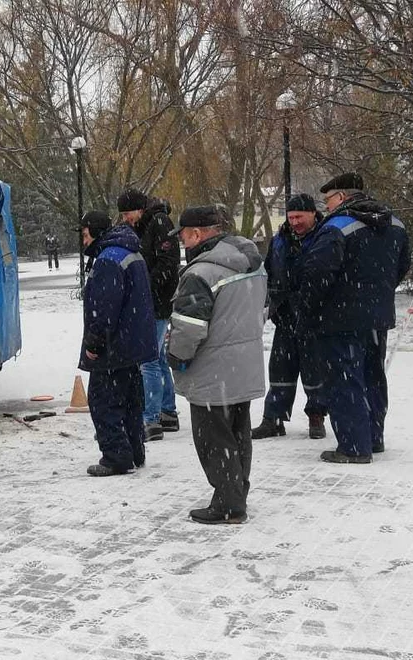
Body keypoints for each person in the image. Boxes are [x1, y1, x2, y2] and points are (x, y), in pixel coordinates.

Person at [298, 172, 410, 463]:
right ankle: (373, 438)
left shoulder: (336, 227)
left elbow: (316, 274)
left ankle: (352, 446)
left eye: (329, 199)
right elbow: (402, 266)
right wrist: (377, 293)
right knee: (373, 376)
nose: (327, 205)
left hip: (339, 319)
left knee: (345, 380)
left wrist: (309, 309)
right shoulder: (395, 223)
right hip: (378, 317)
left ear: (342, 197)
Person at [167, 205, 267, 524]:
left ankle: (228, 503)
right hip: (242, 366)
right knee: (238, 433)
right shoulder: (253, 264)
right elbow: (264, 308)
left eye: (183, 235)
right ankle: (236, 492)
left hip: (212, 371)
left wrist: (175, 357)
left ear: (197, 234)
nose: (183, 242)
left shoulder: (201, 273)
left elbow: (188, 328)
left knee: (213, 439)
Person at [78, 210, 156, 476]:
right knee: (130, 400)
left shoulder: (107, 261)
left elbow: (103, 309)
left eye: (86, 235)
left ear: (96, 232)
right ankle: (134, 450)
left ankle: (115, 456)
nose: (84, 241)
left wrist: (95, 343)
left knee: (103, 400)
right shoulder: (129, 252)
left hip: (114, 346)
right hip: (132, 343)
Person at [252, 193, 328, 440]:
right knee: (280, 369)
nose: (295, 221)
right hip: (284, 314)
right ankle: (273, 417)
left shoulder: (325, 237)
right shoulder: (279, 241)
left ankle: (317, 417)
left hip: (314, 315)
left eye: (299, 216)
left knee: (314, 370)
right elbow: (269, 271)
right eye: (291, 216)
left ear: (312, 214)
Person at [117, 188, 181, 440]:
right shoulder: (145, 226)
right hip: (152, 300)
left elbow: (167, 262)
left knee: (148, 362)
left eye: (127, 213)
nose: (125, 219)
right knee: (157, 358)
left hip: (155, 302)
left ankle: (151, 419)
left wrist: (144, 287)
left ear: (140, 209)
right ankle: (168, 411)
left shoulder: (159, 223)